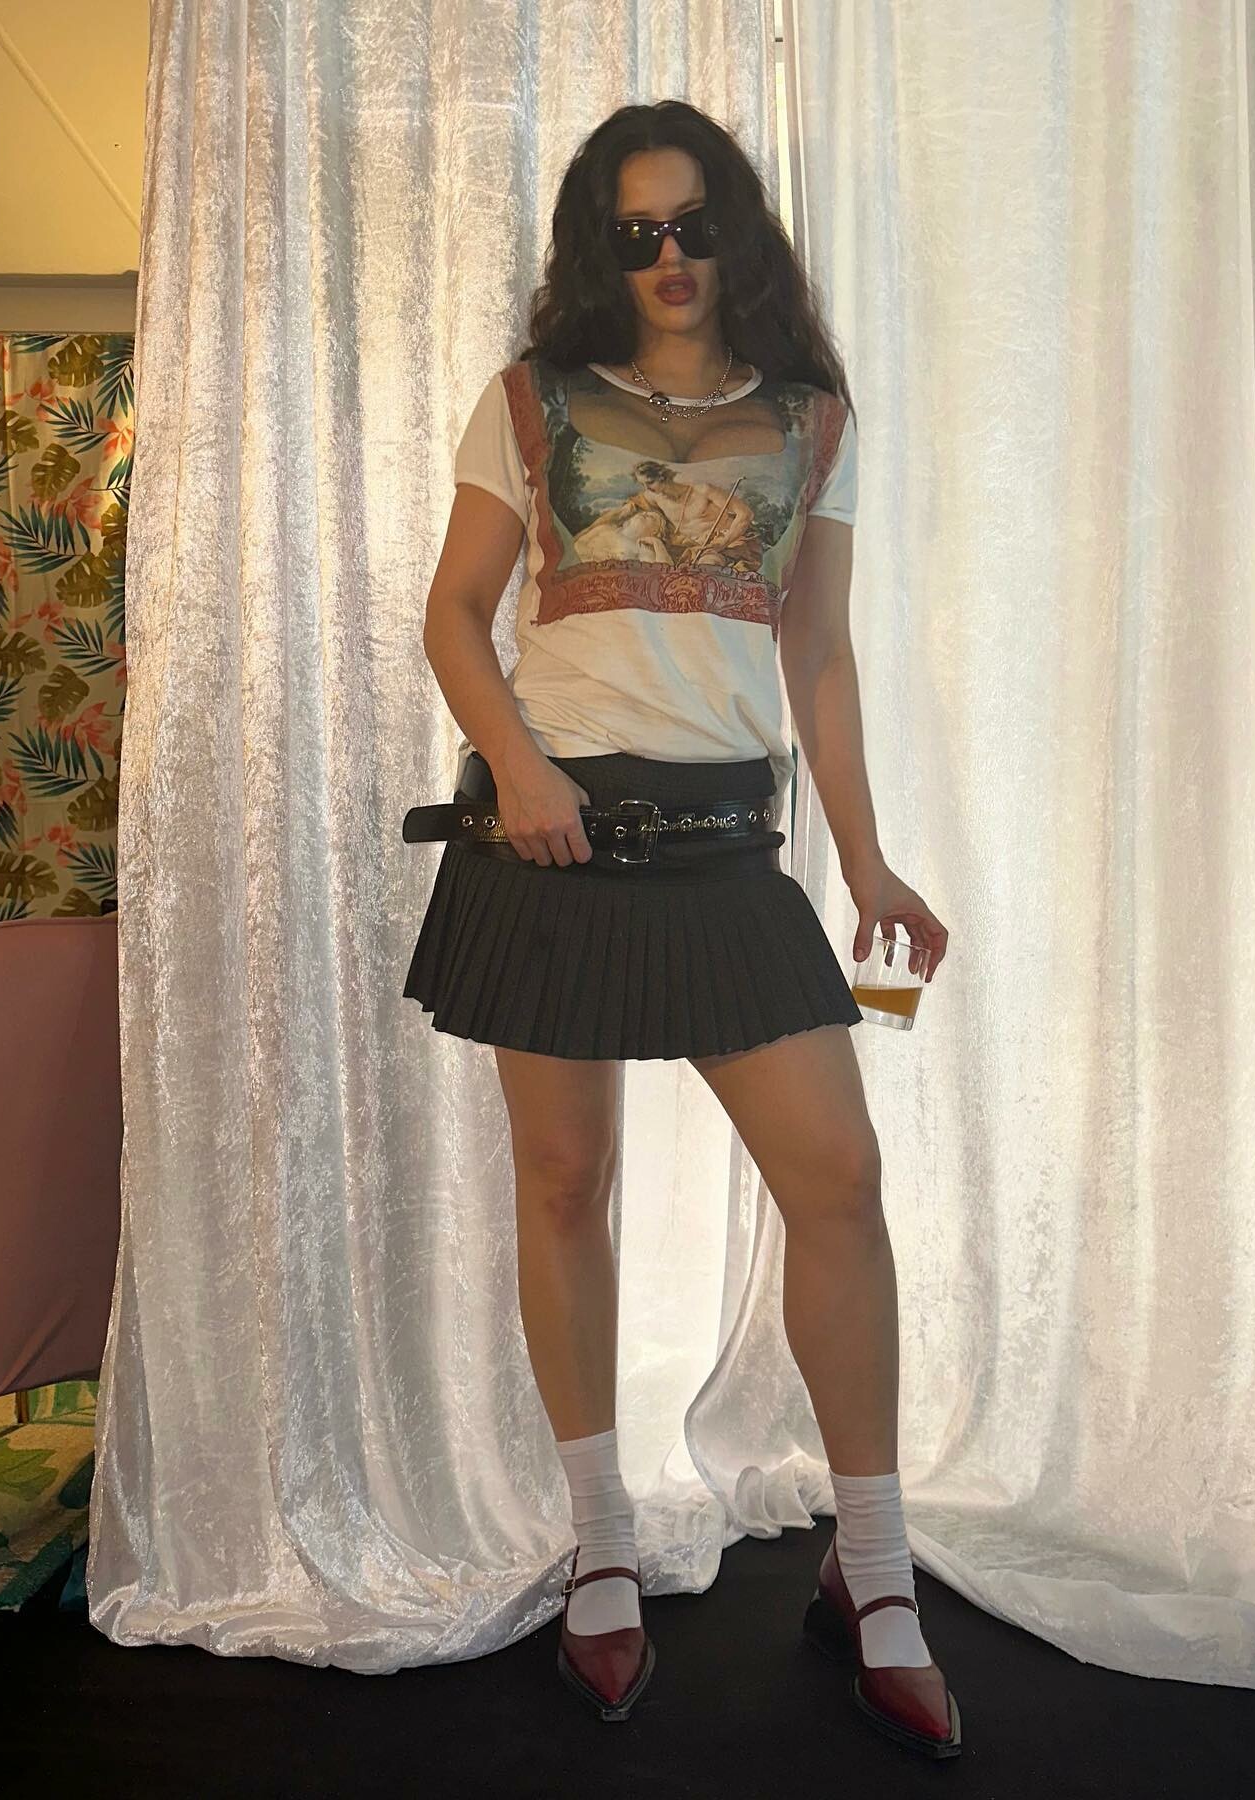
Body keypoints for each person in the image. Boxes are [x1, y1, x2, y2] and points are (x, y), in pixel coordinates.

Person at [407, 99, 956, 1757]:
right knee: (564, 1181)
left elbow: (820, 656)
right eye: (634, 231)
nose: (667, 257)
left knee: (838, 1182)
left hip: (725, 851)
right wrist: (516, 767)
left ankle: (874, 1572)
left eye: (693, 224)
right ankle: (601, 1543)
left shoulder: (811, 421)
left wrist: (868, 864)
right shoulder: (530, 400)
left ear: (739, 233)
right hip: (549, 837)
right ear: (603, 247)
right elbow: (455, 612)